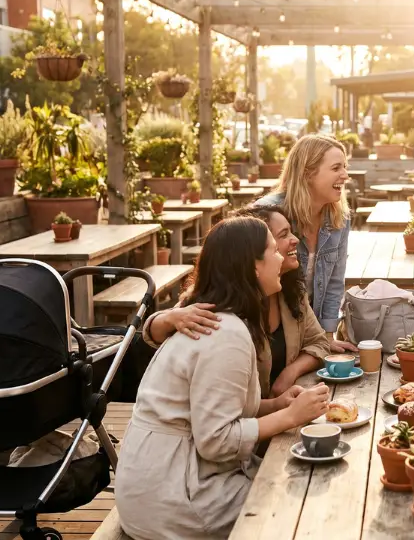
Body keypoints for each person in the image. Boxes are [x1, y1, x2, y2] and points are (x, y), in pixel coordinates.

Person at [115, 217, 331, 539]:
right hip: (176, 497)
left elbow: (214, 410)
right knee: (300, 502)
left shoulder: (220, 320)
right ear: (253, 267)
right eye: (272, 250)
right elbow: (216, 440)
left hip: (153, 484)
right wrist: (290, 416)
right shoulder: (225, 333)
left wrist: (275, 405)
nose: (278, 258)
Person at [140, 205, 335, 397]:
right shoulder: (219, 303)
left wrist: (289, 374)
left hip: (265, 411)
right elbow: (156, 336)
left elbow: (318, 342)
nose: (295, 240)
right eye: (283, 236)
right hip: (236, 419)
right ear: (250, 254)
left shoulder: (291, 291)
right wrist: (169, 319)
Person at [256, 134, 353, 352]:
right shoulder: (269, 214)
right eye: (336, 167)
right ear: (308, 173)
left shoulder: (340, 217)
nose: (345, 175)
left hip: (312, 334)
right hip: (272, 337)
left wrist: (326, 337)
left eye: (345, 167)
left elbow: (335, 282)